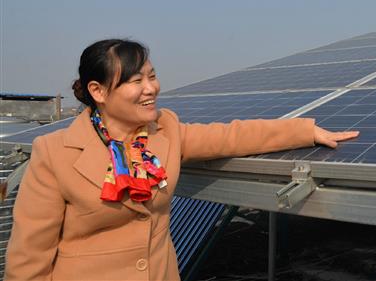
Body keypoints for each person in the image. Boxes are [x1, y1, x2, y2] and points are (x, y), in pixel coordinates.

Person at [5, 39, 358, 281]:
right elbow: (29, 258)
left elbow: (230, 136)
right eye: (136, 80)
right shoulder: (55, 152)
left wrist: (304, 131)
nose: (151, 88)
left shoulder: (165, 132)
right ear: (98, 91)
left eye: (152, 76)